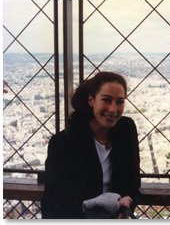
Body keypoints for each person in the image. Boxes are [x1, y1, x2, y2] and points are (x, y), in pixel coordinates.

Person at [41, 71, 141, 219]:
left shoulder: (126, 130)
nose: (113, 109)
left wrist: (128, 202)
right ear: (91, 100)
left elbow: (133, 183)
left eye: (120, 102)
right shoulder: (64, 143)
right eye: (106, 100)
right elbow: (54, 201)